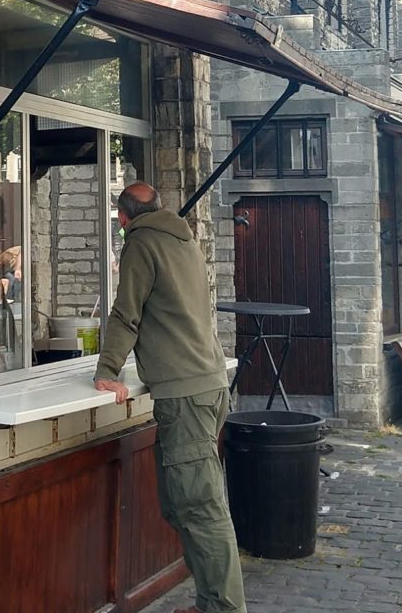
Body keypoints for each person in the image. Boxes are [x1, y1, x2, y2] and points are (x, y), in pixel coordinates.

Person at [94, 182, 246, 613]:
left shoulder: (141, 244)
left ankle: (223, 608)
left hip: (185, 395)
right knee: (182, 501)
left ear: (123, 219)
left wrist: (106, 371)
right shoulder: (184, 239)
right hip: (207, 385)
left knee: (200, 508)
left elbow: (127, 312)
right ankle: (210, 602)